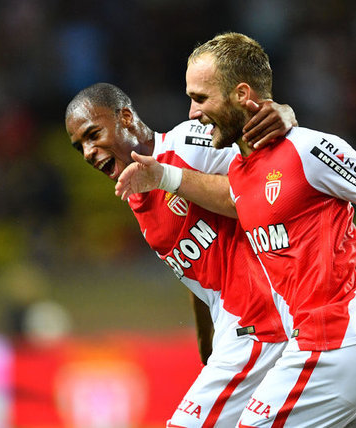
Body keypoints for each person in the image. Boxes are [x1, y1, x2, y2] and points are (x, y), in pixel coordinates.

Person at [114, 32, 356, 427]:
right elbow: (229, 198)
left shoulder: (309, 149)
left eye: (201, 98)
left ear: (241, 94)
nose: (192, 112)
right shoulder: (240, 172)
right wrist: (163, 176)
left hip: (331, 344)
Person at [64, 82, 298, 427]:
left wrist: (282, 115)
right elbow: (199, 272)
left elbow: (270, 180)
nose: (87, 152)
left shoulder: (190, 142)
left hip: (264, 324)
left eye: (93, 134)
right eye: (79, 146)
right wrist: (207, 343)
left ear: (125, 117)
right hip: (238, 332)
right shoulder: (135, 195)